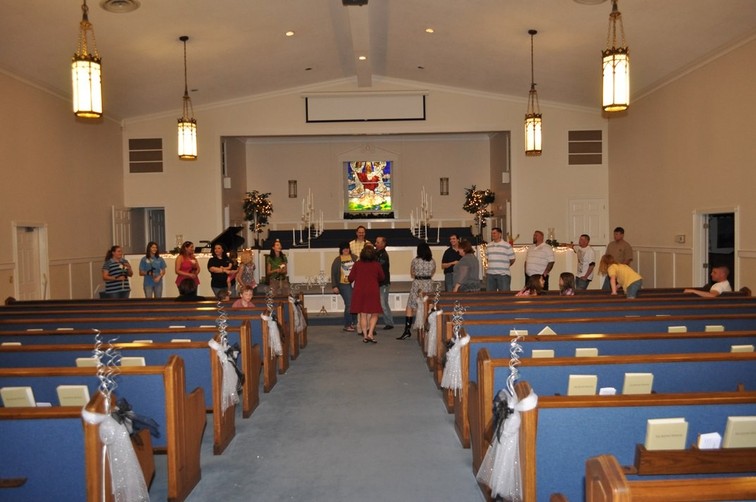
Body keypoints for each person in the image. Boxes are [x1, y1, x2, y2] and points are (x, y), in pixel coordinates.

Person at [398, 242, 436, 340]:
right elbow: (432, 272)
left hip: (417, 284)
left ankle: (407, 330)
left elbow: (412, 273)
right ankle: (427, 329)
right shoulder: (432, 261)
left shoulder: (415, 261)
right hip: (428, 284)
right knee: (427, 307)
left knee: (410, 307)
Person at [348, 245, 385, 344]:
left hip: (360, 290)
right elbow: (382, 277)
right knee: (374, 313)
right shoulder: (377, 264)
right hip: (372, 290)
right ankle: (370, 333)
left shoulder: (357, 264)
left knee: (362, 314)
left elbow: (350, 278)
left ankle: (365, 336)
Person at [331, 241, 358, 333]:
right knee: (349, 303)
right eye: (344, 248)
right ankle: (347, 324)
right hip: (343, 284)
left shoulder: (355, 258)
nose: (346, 250)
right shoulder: (337, 260)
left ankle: (354, 322)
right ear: (341, 250)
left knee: (355, 303)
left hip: (354, 283)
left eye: (347, 248)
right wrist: (334, 286)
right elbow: (333, 273)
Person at [485, 227, 516, 291]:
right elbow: (487, 259)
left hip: (503, 275)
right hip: (490, 275)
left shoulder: (507, 245)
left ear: (500, 234)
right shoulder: (488, 246)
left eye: (494, 233)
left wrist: (505, 266)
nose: (492, 235)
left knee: (504, 295)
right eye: (492, 233)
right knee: (490, 295)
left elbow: (512, 259)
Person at [374, 236, 394, 330]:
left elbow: (377, 267)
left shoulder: (384, 255)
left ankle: (389, 323)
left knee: (383, 303)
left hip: (383, 283)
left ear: (383, 244)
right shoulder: (375, 253)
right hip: (376, 283)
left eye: (378, 242)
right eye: (376, 242)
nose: (375, 244)